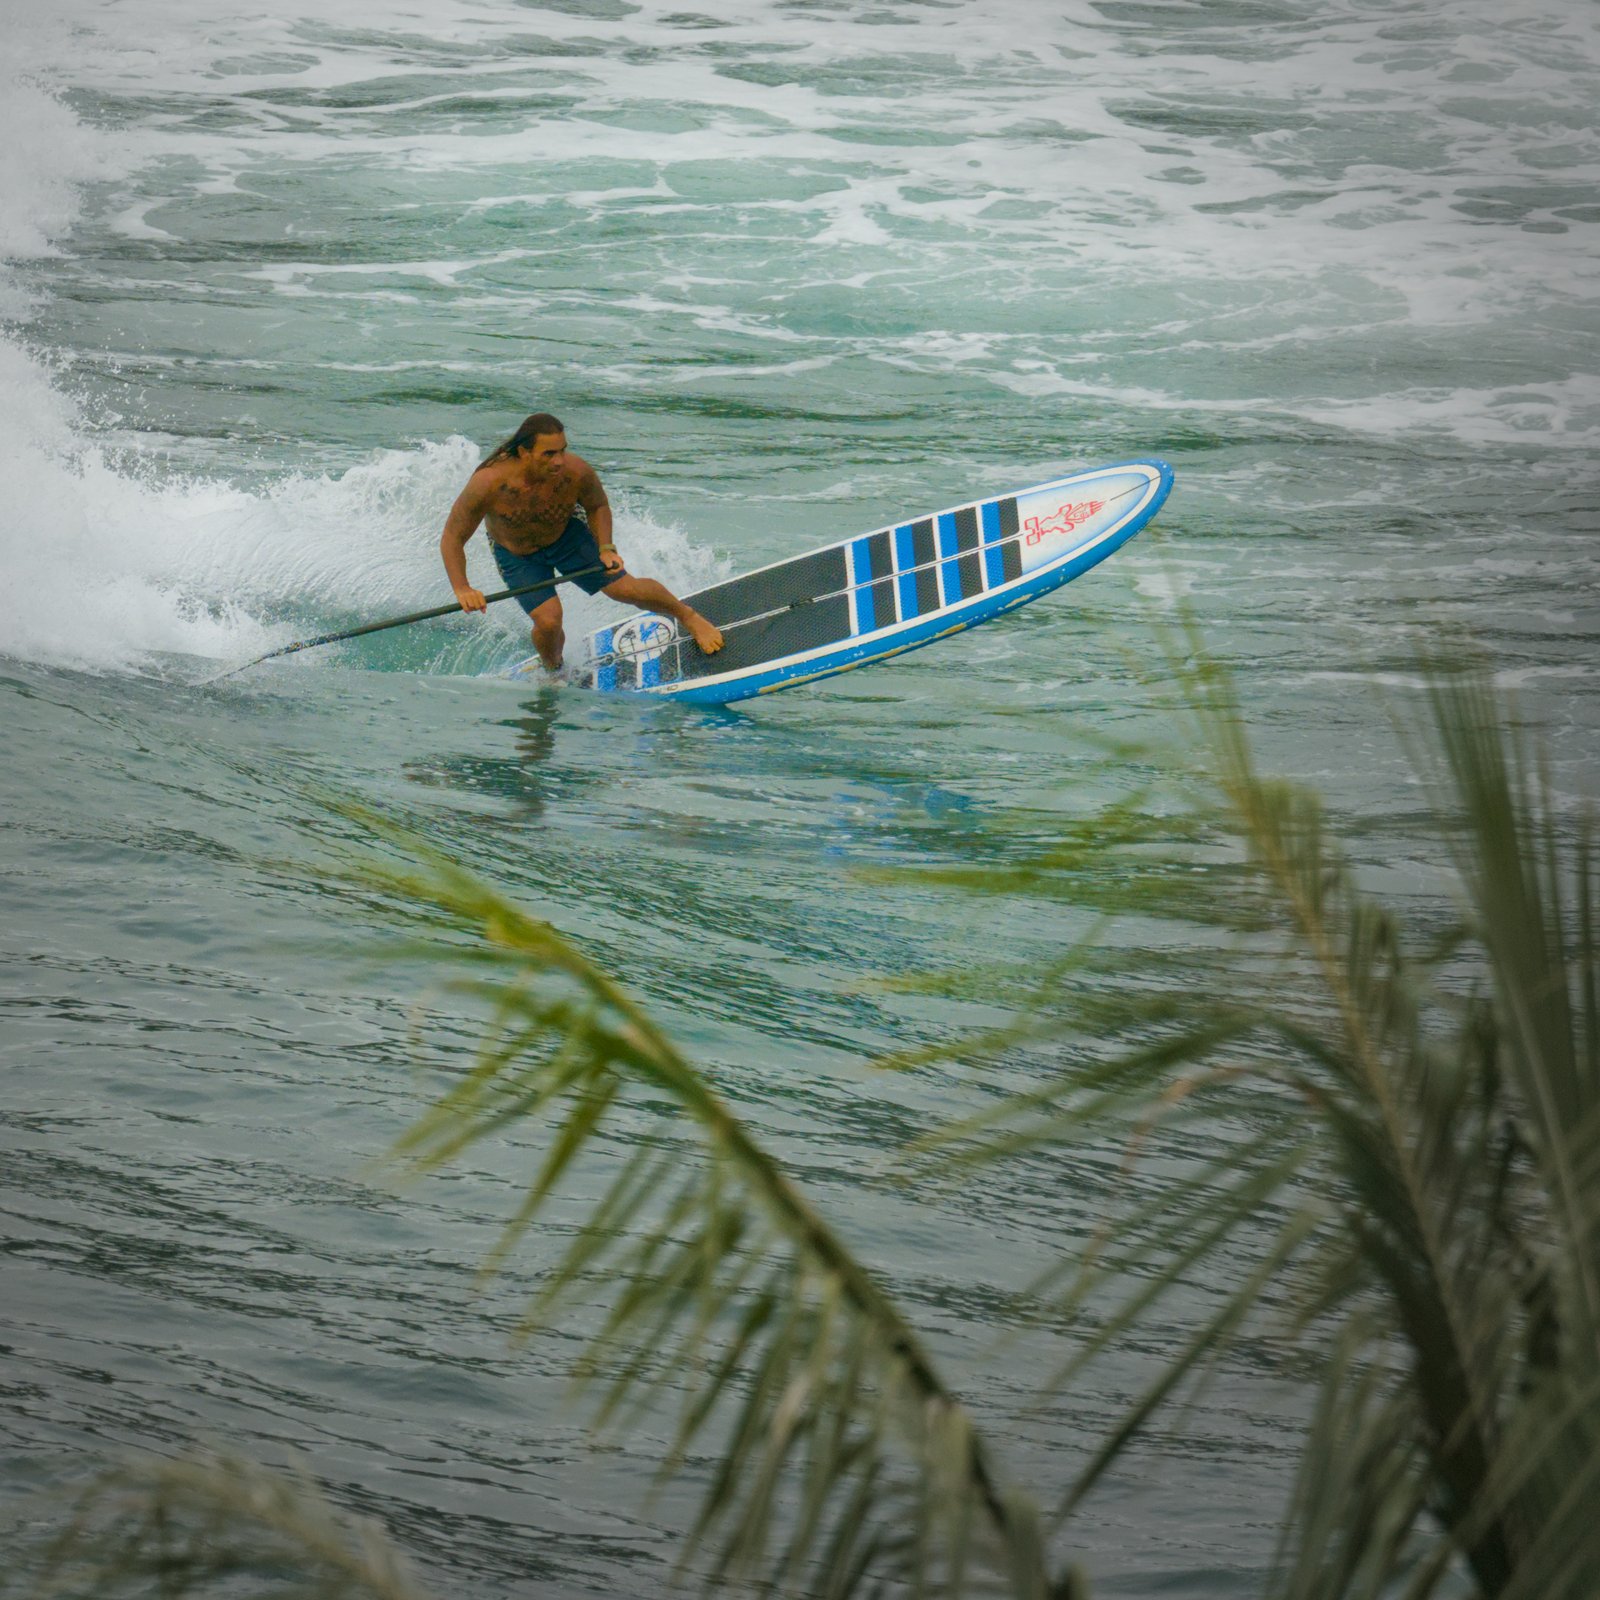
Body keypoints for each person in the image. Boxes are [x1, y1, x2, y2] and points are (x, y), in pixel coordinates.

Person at [440, 412, 724, 672]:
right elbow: (453, 537)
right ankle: (553, 668)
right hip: (518, 555)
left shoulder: (575, 471)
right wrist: (462, 587)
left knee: (626, 589)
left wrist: (606, 548)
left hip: (566, 537)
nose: (559, 461)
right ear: (525, 452)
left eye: (562, 450)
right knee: (548, 621)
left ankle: (689, 617)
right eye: (549, 454)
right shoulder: (488, 482)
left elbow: (598, 505)